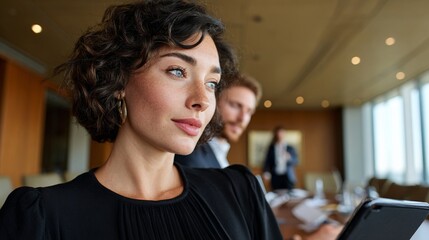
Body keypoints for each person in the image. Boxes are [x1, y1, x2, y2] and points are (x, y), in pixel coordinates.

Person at [0, 1, 283, 239]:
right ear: (120, 79)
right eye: (177, 71)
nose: (203, 100)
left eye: (212, 83)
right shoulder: (42, 216)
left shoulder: (240, 191)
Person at [175, 73, 261, 168]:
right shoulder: (189, 153)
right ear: (214, 102)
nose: (242, 118)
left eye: (249, 112)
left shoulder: (220, 155)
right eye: (235, 105)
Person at [263, 126, 299, 191]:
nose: (280, 135)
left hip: (288, 177)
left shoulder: (290, 148)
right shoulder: (271, 148)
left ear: (284, 134)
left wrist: (289, 158)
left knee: (290, 197)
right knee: (276, 195)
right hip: (275, 177)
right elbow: (267, 162)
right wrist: (266, 172)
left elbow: (296, 161)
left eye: (281, 133)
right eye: (278, 134)